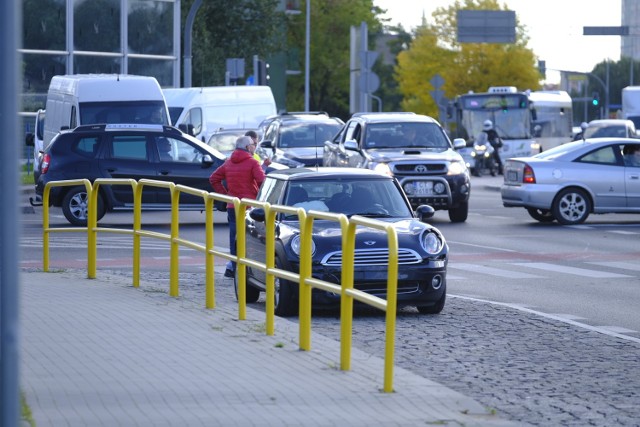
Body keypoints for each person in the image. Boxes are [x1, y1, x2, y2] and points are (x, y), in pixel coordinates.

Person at [210, 136, 266, 278]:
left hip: (233, 206)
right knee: (253, 239)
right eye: (253, 144)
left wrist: (226, 196)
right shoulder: (253, 163)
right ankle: (252, 272)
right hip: (250, 208)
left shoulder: (229, 162)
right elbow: (262, 182)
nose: (255, 146)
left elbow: (214, 178)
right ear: (248, 147)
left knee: (234, 238)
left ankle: (236, 270)